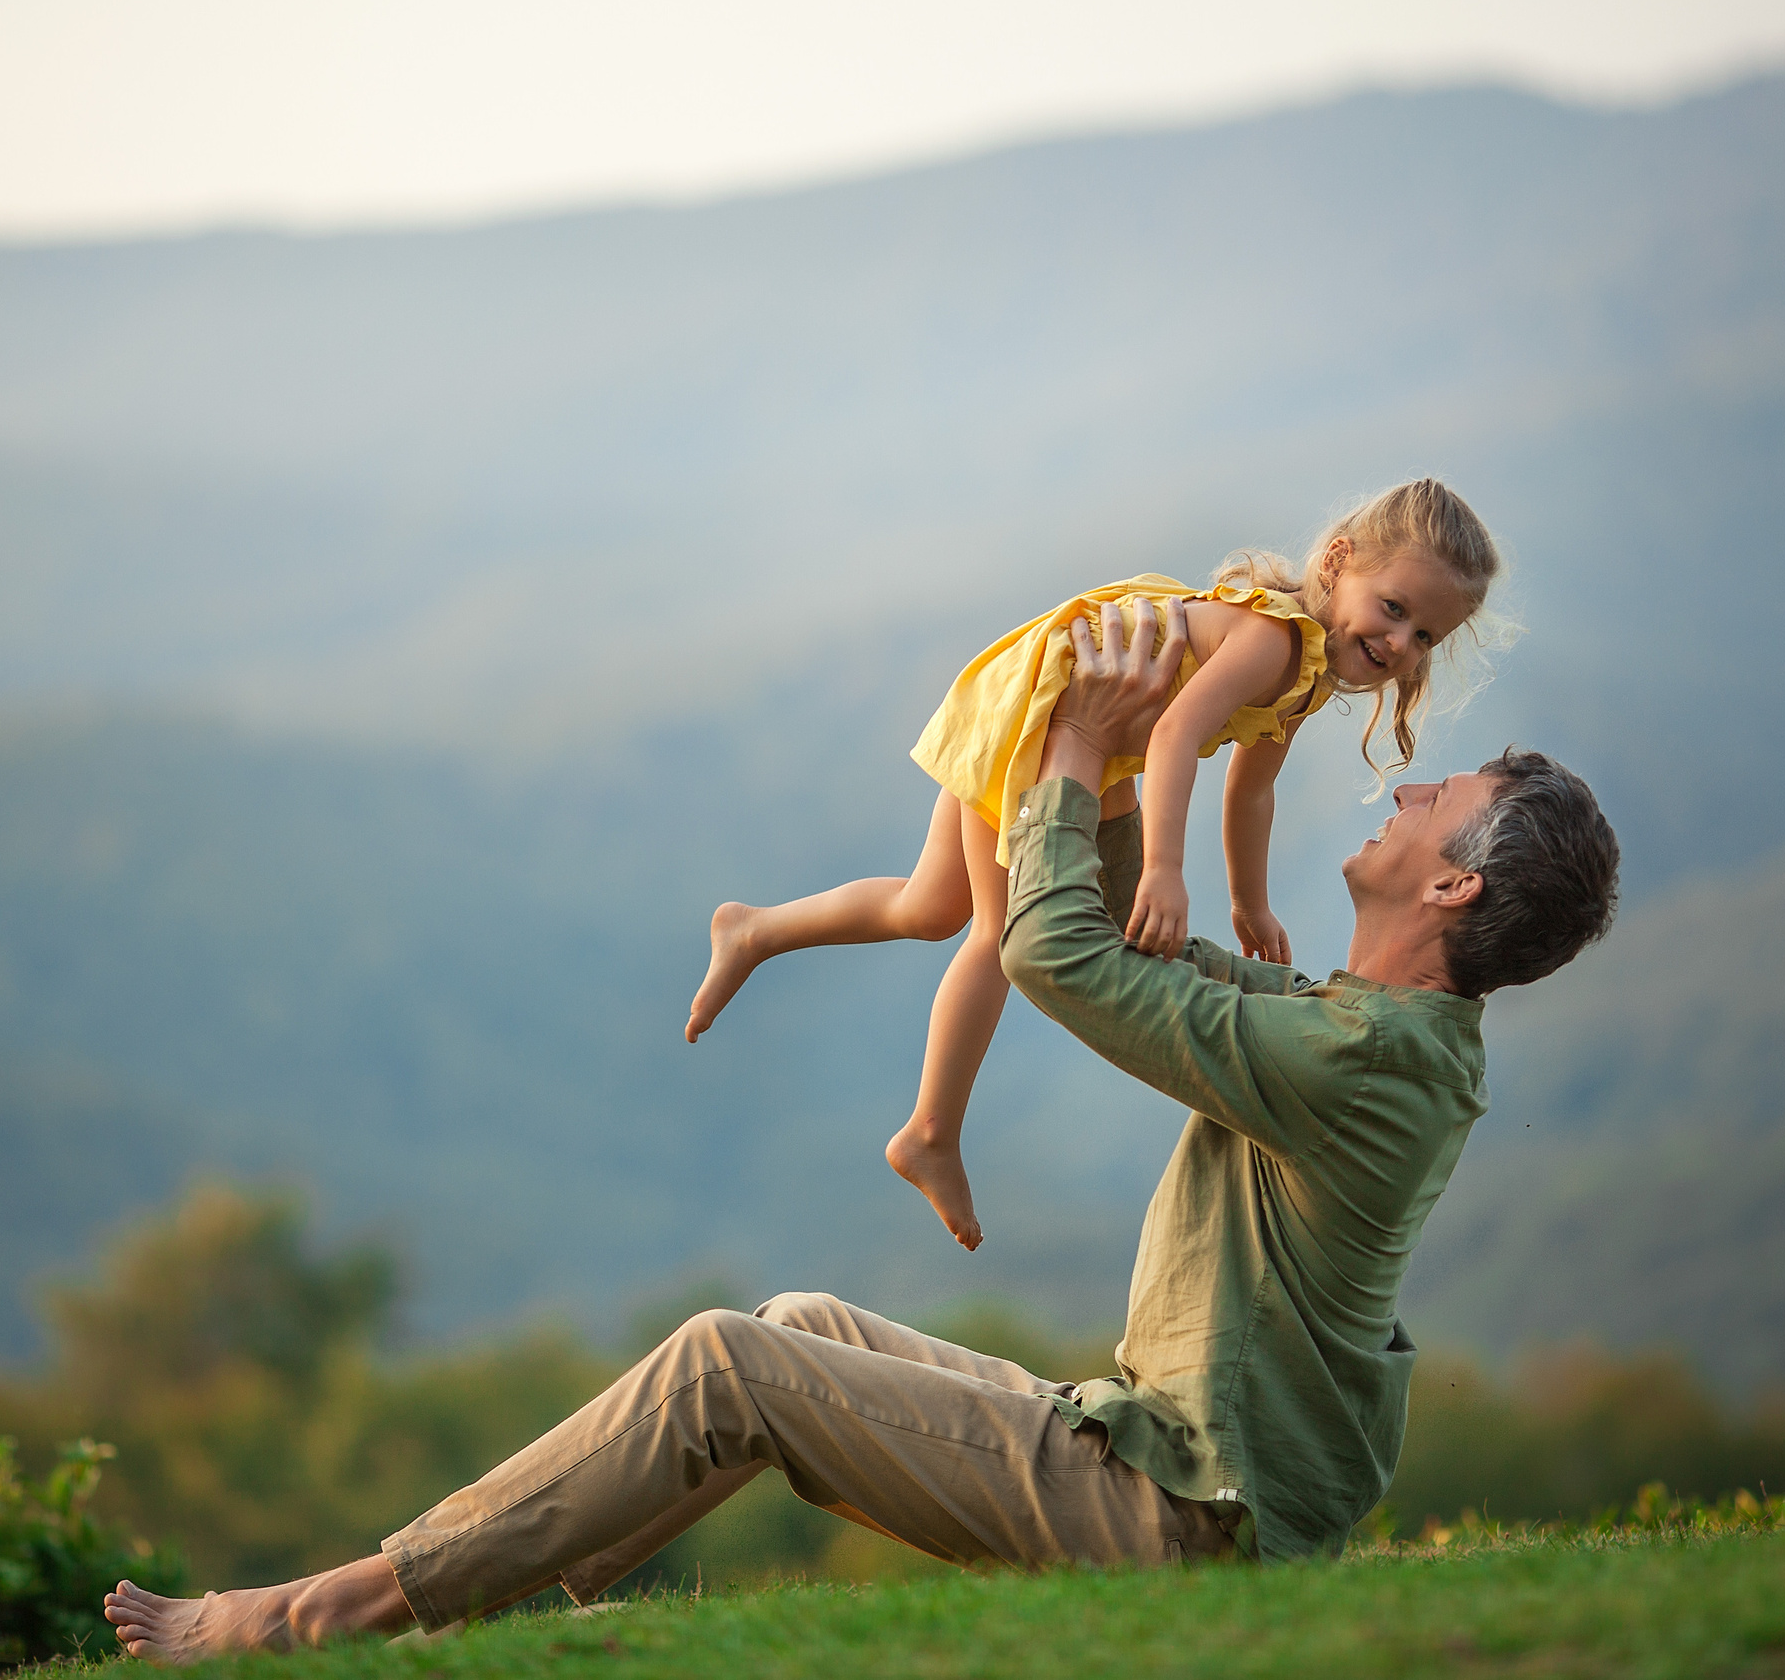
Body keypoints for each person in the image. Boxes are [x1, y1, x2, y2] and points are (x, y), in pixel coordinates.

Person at [103, 597, 1619, 1662]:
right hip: (1167, 1458)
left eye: (1445, 797)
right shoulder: (1367, 1028)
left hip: (1186, 1516)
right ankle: (529, 1603)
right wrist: (1105, 747)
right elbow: (1121, 940)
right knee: (798, 1323)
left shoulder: (1368, 1060)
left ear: (1453, 886)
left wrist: (1078, 746)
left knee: (727, 1360)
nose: (1412, 780)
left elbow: (1054, 957)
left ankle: (327, 1612)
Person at [684, 479, 1503, 1250]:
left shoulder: (1308, 674)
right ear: (1338, 563)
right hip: (1056, 712)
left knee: (930, 908)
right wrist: (1164, 871)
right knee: (998, 933)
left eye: (1424, 636)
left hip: (1090, 736)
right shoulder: (1273, 641)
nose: (1399, 643)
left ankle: (754, 929)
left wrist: (1250, 904)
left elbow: (1253, 791)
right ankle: (929, 1131)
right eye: (1393, 609)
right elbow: (1177, 734)